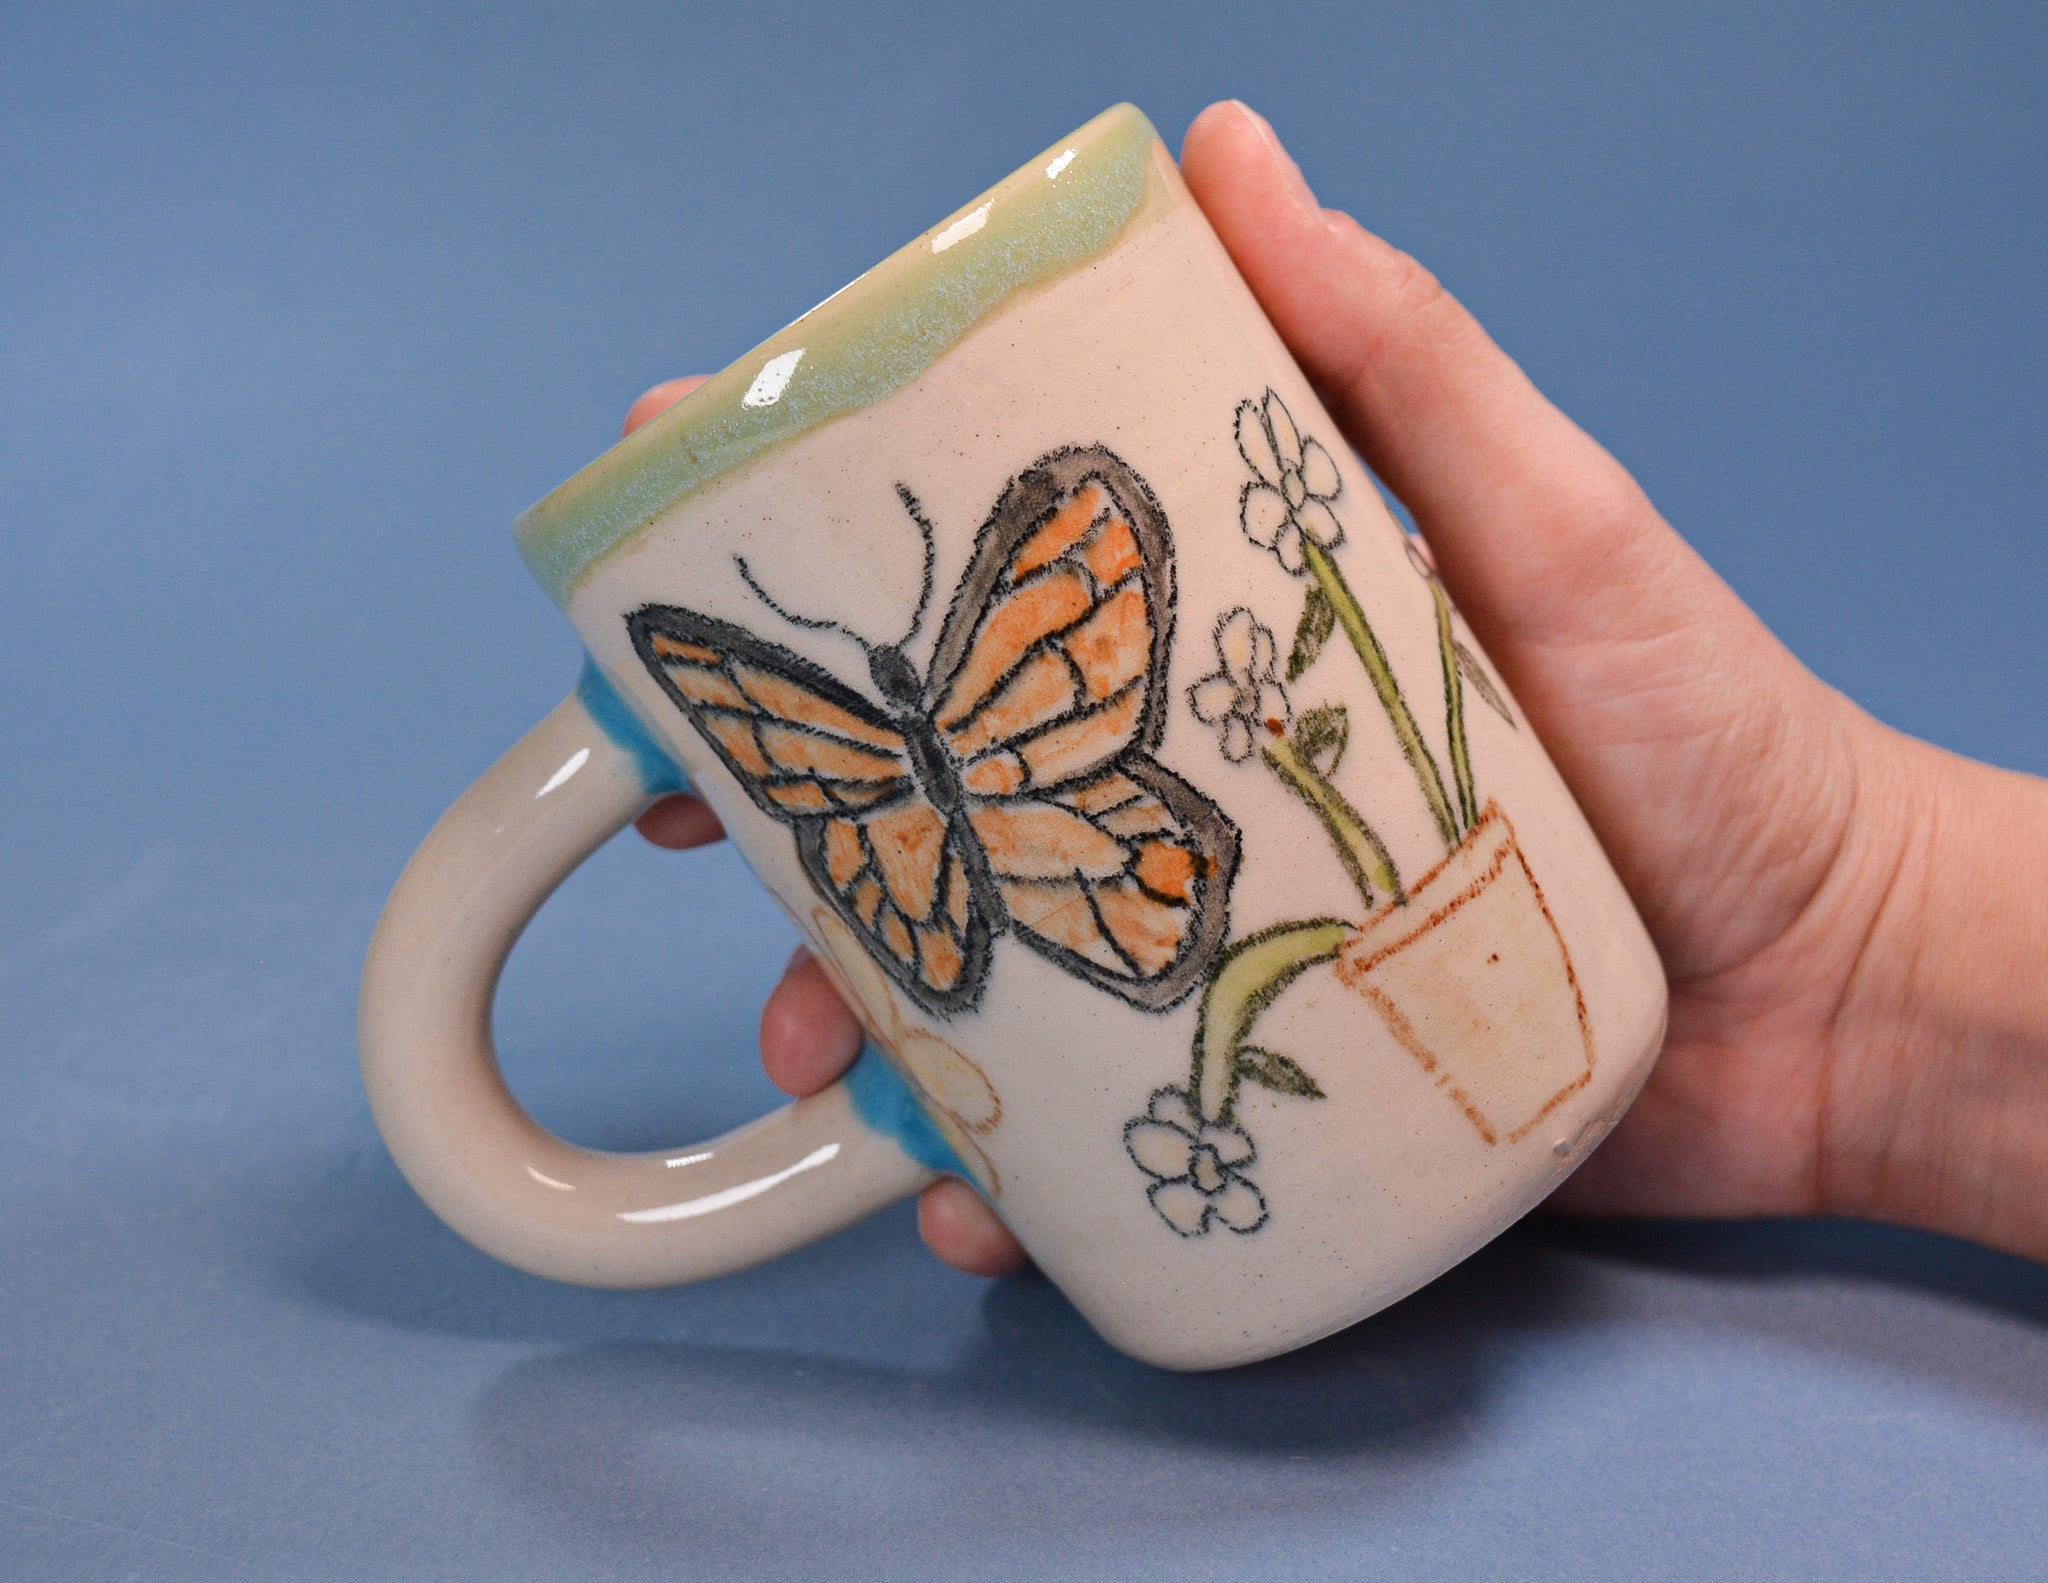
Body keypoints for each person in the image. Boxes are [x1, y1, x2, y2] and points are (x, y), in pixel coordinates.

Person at [622, 100, 2048, 1279]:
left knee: (992, 988)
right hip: (1053, 835)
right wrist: (1862, 949)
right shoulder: (1032, 598)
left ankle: (1135, 1178)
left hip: (929, 861)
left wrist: (1855, 928)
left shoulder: (824, 705)